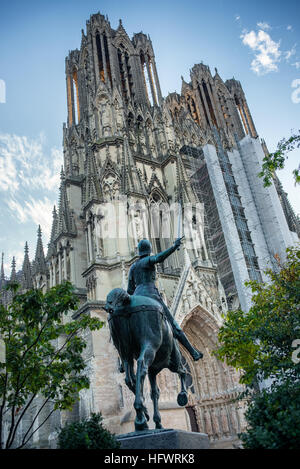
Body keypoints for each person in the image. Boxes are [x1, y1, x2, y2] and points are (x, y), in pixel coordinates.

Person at [127, 238, 203, 362]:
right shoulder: (147, 261)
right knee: (174, 325)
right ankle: (193, 352)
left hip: (136, 296)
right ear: (149, 250)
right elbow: (159, 258)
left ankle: (124, 362)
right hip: (151, 295)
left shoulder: (133, 267)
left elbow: (129, 290)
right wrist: (174, 247)